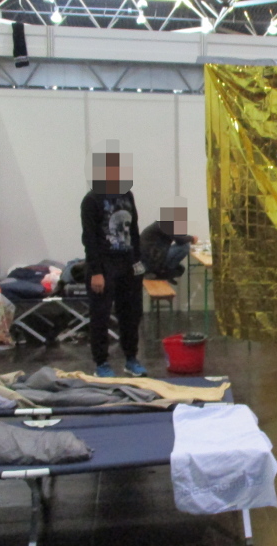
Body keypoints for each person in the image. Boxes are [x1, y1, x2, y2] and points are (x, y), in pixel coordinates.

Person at [80, 146, 146, 378]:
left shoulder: (127, 195)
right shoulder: (91, 200)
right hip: (104, 265)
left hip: (127, 264)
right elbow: (89, 238)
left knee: (130, 315)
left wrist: (137, 262)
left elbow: (134, 231)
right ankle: (101, 363)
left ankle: (131, 359)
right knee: (100, 316)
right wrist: (96, 272)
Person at [139, 208, 197, 284]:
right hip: (152, 261)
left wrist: (188, 238)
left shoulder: (159, 225)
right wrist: (192, 238)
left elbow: (179, 236)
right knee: (185, 247)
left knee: (181, 267)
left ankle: (167, 270)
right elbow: (180, 240)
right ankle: (168, 271)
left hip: (152, 257)